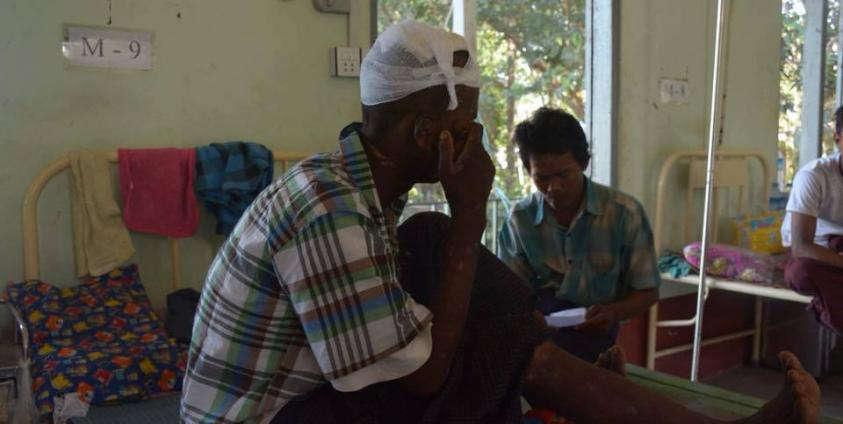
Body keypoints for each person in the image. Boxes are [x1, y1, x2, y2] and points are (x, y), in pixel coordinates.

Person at [182, 20, 820, 424]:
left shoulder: (364, 193)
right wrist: (465, 218)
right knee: (481, 331)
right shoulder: (329, 208)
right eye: (466, 130)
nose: (476, 145)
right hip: (275, 415)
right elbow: (425, 373)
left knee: (433, 251)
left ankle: (587, 396)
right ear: (424, 133)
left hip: (320, 392)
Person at [498, 107, 660, 362]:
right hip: (538, 340)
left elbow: (648, 292)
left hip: (598, 338)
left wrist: (613, 312)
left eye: (564, 175)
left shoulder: (624, 214)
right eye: (542, 178)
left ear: (584, 163)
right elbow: (509, 295)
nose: (554, 188)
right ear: (529, 171)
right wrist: (530, 317)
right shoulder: (519, 221)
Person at [782, 105, 843, 336]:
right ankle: (826, 310)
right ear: (838, 139)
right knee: (800, 273)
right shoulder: (814, 176)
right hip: (814, 251)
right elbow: (801, 246)